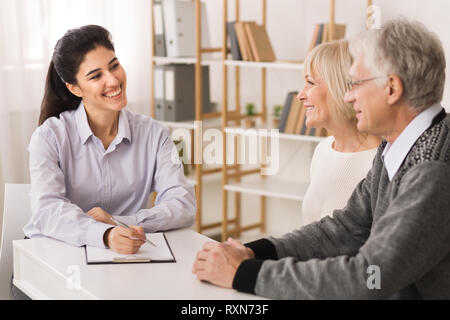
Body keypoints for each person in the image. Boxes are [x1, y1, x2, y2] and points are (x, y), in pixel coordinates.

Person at [192, 18, 450, 299]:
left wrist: (242, 273)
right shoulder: (396, 148)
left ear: (391, 88)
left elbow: (370, 276)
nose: (348, 96)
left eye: (354, 84)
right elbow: (343, 229)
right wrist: (254, 252)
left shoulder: (431, 171)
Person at [23, 25, 196, 254]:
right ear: (75, 88)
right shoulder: (49, 137)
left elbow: (183, 205)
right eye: (96, 76)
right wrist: (103, 234)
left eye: (114, 66)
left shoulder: (155, 134)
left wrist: (118, 222)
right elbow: (47, 210)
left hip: (117, 259)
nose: (113, 80)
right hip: (51, 257)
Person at [298, 39, 380, 225]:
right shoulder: (323, 150)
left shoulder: (379, 161)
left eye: (310, 83)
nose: (301, 95)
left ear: (340, 87)